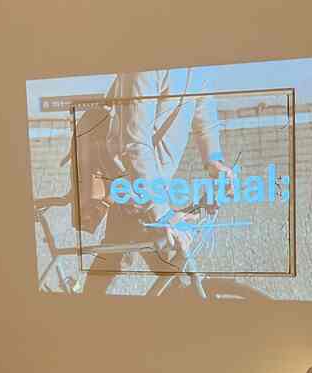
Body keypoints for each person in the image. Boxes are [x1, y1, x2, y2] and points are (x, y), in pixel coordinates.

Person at [88, 67, 234, 288]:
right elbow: (133, 144)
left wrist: (215, 164)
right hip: (127, 177)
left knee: (126, 255)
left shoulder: (196, 69)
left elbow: (206, 125)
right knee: (168, 264)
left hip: (151, 184)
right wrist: (161, 212)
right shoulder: (143, 67)